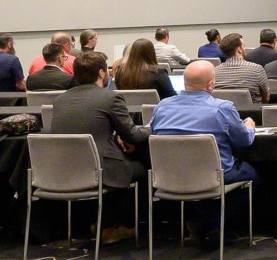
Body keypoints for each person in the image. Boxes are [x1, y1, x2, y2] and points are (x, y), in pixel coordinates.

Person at [148, 60, 258, 248]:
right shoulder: (222, 108)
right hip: (213, 176)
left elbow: (151, 132)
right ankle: (213, 222)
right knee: (252, 175)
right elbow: (244, 141)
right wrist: (250, 126)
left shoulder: (162, 107)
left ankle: (201, 221)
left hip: (169, 177)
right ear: (210, 84)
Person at [52, 52, 151, 243]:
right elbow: (133, 135)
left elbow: (88, 128)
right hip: (100, 169)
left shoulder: (60, 100)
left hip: (64, 170)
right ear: (101, 73)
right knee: (145, 168)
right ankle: (120, 225)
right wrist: (151, 128)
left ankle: (102, 223)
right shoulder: (111, 98)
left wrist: (114, 136)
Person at [214, 33, 270, 103]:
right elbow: (266, 97)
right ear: (239, 50)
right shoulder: (257, 69)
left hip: (224, 113)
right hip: (251, 113)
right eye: (244, 46)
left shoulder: (214, 72)